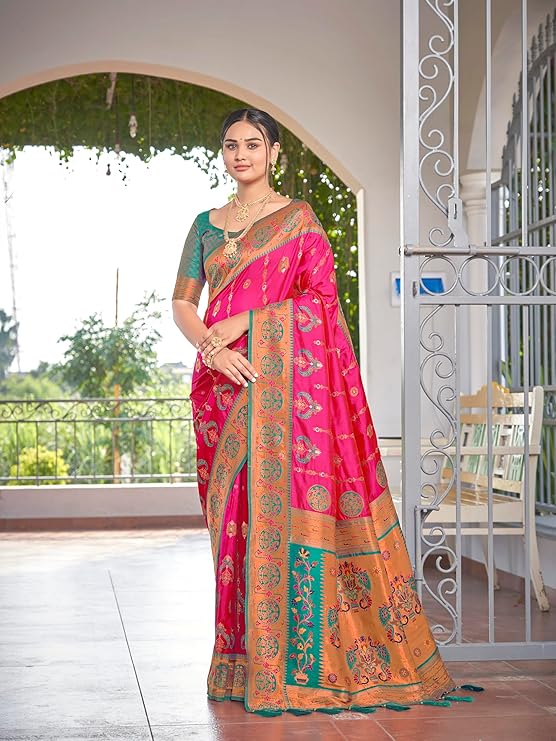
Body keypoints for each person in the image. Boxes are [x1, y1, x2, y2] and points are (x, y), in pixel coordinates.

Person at [172, 108, 477, 715]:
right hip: (221, 389)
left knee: (285, 517)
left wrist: (249, 321)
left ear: (273, 152)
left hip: (288, 392)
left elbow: (320, 303)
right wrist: (213, 347)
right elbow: (183, 303)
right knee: (233, 526)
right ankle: (240, 664)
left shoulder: (300, 221)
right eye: (230, 145)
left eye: (252, 144)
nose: (240, 154)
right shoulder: (204, 226)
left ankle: (296, 664)